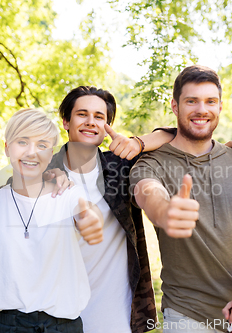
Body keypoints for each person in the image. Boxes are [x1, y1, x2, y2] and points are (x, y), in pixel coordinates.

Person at [129, 65, 232, 333]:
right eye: (191, 101)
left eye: (210, 101)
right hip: (187, 315)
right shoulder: (150, 164)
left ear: (220, 106)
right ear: (175, 106)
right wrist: (164, 211)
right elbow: (148, 193)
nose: (201, 109)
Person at [45, 86, 180, 333]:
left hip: (115, 312)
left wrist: (137, 143)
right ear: (65, 121)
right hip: (56, 312)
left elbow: (175, 135)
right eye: (81, 114)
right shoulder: (44, 173)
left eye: (99, 117)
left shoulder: (122, 167)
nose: (91, 122)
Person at [0, 109, 104, 332]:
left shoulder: (67, 194)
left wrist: (90, 219)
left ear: (51, 153)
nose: (31, 152)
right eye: (22, 142)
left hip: (62, 325)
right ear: (7, 147)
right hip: (7, 325)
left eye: (42, 145)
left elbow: (86, 212)